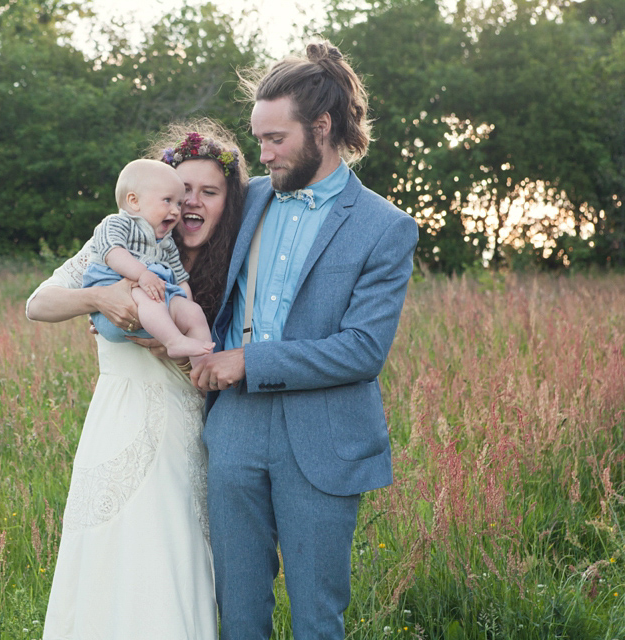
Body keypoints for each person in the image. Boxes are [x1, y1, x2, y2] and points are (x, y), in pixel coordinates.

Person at [189, 41, 420, 639]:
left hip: (324, 439)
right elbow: (180, 259)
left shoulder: (385, 227)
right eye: (257, 138)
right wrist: (118, 302)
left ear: (322, 129)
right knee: (236, 613)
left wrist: (249, 361)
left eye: (275, 139)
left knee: (318, 618)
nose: (261, 154)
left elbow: (364, 349)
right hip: (233, 429)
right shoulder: (248, 199)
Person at [26, 119, 247, 640]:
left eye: (207, 192)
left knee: (175, 554)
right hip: (119, 419)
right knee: (117, 551)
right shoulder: (114, 243)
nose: (186, 204)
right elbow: (38, 303)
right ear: (145, 197)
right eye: (179, 191)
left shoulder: (230, 264)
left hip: (191, 429)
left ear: (227, 201)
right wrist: (98, 297)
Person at [82, 159, 214, 360]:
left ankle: (204, 366)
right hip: (118, 306)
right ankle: (174, 342)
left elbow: (180, 279)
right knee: (148, 296)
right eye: (168, 201)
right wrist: (142, 274)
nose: (176, 210)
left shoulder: (166, 242)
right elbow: (112, 252)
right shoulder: (117, 223)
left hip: (156, 311)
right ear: (134, 201)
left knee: (193, 312)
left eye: (179, 203)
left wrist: (185, 305)